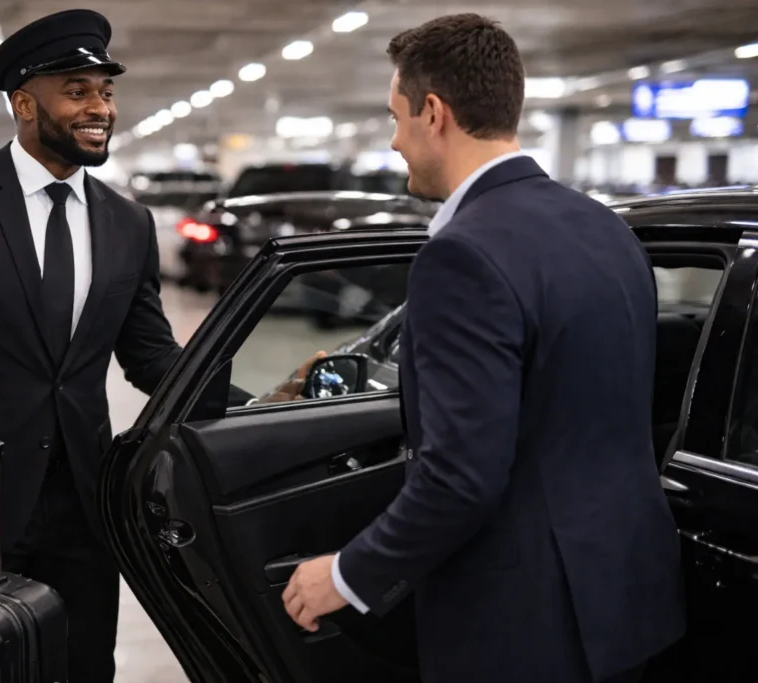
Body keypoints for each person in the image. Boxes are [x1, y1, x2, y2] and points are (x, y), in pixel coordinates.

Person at [0, 9, 315, 682]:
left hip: (86, 500)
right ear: (25, 103)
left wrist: (260, 403)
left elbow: (151, 358)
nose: (100, 107)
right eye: (77, 90)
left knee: (84, 664)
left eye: (106, 91)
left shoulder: (126, 221)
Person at [281, 13, 686, 683]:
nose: (393, 141)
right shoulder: (605, 227)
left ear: (433, 113)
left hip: (521, 626)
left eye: (396, 117)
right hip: (624, 598)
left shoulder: (462, 255)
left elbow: (461, 476)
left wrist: (349, 573)